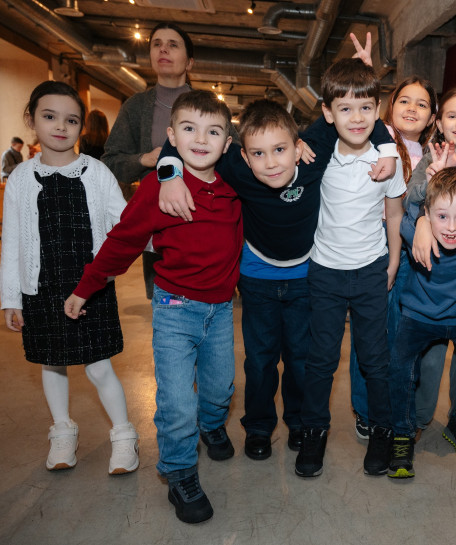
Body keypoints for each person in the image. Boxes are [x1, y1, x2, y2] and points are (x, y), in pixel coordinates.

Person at [154, 98, 397, 462]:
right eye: (258, 153)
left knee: (301, 358)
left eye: (280, 150)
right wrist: (169, 175)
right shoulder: (237, 167)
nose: (270, 163)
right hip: (257, 278)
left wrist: (389, 150)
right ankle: (258, 427)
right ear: (244, 156)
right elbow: (184, 141)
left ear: (298, 147)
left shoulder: (313, 153)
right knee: (259, 360)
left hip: (306, 278)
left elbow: (357, 116)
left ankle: (299, 422)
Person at [65, 90, 240, 524]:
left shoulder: (236, 185)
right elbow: (122, 241)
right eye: (189, 129)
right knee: (177, 402)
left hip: (221, 311)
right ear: (172, 137)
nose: (201, 139)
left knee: (220, 391)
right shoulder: (156, 190)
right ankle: (180, 472)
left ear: (227, 143)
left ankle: (212, 424)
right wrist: (86, 287)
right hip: (175, 309)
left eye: (213, 131)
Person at [0, 81, 138, 476]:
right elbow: (12, 242)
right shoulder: (20, 178)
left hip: (90, 288)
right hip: (41, 289)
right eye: (50, 116)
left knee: (99, 366)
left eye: (71, 120)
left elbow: (125, 225)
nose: (60, 126)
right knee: (51, 363)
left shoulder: (96, 173)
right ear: (31, 120)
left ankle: (124, 435)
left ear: (81, 127)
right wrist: (11, 298)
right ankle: (62, 430)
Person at [295, 58, 407, 478]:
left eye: (365, 107)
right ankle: (313, 431)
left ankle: (382, 430)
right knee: (320, 359)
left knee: (375, 359)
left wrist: (393, 260)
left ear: (377, 110)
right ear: (328, 113)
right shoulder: (317, 157)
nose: (356, 118)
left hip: (370, 270)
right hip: (324, 271)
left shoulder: (387, 161)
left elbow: (394, 214)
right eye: (345, 108)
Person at [101, 23, 238, 299]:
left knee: (211, 299)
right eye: (157, 44)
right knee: (164, 300)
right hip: (160, 217)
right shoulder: (135, 107)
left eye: (173, 45)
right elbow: (111, 162)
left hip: (208, 219)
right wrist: (145, 159)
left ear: (189, 62)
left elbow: (236, 154)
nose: (163, 49)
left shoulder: (210, 105)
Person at [348, 75, 442, 441]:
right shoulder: (378, 138)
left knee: (403, 339)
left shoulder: (435, 153)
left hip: (417, 255)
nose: (412, 109)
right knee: (370, 335)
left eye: (422, 104)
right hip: (376, 249)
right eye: (405, 100)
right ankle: (366, 410)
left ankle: (396, 409)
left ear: (432, 116)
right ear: (390, 106)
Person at [405, 85, 456, 460]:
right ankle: (419, 418)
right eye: (452, 115)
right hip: (430, 278)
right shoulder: (429, 158)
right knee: (428, 357)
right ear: (438, 123)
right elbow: (409, 203)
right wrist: (425, 216)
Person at [388, 165, 456, 478]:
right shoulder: (412, 228)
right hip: (418, 315)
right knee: (400, 369)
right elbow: (405, 203)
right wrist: (420, 220)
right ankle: (402, 433)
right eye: (442, 216)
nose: (452, 227)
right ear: (428, 214)